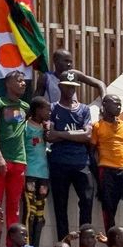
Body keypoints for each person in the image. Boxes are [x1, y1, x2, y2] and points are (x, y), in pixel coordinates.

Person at [46, 72, 95, 237]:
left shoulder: (84, 110)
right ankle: (63, 244)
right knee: (60, 206)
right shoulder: (52, 108)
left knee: (87, 202)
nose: (71, 90)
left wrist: (61, 134)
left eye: (73, 87)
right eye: (67, 86)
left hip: (81, 162)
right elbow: (49, 136)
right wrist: (76, 135)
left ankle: (85, 243)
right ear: (60, 86)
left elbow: (87, 136)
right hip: (59, 163)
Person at [0, 71, 31, 247]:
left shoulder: (26, 107)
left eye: (23, 81)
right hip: (2, 160)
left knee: (14, 206)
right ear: (8, 83)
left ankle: (12, 246)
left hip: (20, 161)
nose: (23, 83)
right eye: (19, 81)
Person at [93, 94, 123, 238]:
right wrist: (97, 173)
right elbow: (91, 151)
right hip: (106, 171)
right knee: (109, 211)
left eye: (120, 104)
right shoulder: (98, 126)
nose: (119, 107)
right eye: (115, 104)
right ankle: (112, 244)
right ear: (105, 105)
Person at [22, 96, 51, 247]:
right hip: (30, 174)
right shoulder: (25, 126)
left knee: (40, 216)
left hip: (44, 176)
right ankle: (26, 246)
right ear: (38, 110)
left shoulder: (47, 128)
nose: (49, 112)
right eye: (46, 109)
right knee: (30, 213)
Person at [35, 48, 106, 104]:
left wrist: (104, 100)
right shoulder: (46, 78)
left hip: (72, 115)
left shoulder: (74, 74)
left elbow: (100, 83)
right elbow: (36, 99)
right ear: (55, 61)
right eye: (66, 61)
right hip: (54, 117)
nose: (69, 64)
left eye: (70, 62)